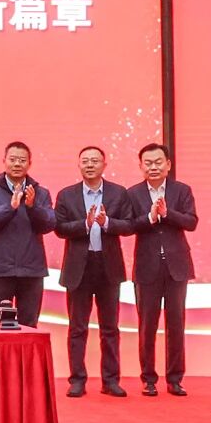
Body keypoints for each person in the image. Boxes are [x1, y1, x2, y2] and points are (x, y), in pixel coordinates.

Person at [54, 145, 135, 398]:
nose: (90, 165)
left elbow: (129, 225)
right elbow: (59, 228)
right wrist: (85, 224)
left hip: (108, 266)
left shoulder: (118, 193)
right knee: (77, 327)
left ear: (104, 165)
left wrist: (106, 222)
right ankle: (77, 380)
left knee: (110, 327)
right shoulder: (66, 195)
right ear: (79, 165)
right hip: (79, 267)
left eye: (95, 161)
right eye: (85, 161)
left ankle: (110, 380)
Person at [128, 143, 199, 397]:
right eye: (148, 163)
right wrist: (149, 218)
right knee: (147, 325)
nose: (154, 167)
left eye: (158, 162)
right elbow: (127, 226)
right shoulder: (133, 193)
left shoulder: (182, 190)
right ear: (141, 166)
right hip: (146, 267)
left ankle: (175, 379)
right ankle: (148, 379)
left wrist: (168, 214)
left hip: (176, 267)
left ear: (168, 164)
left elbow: (191, 222)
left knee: (176, 324)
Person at [0, 141, 55, 327]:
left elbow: (49, 224)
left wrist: (32, 207)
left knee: (29, 325)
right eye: (13, 159)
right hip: (0, 270)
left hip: (32, 271)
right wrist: (10, 207)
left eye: (22, 160)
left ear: (30, 163)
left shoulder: (41, 193)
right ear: (4, 161)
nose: (17, 164)